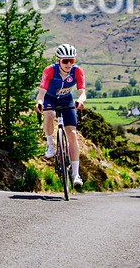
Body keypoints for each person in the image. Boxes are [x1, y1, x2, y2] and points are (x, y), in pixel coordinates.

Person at [35, 43, 87, 188]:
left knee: (72, 134)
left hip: (66, 100)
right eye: (65, 61)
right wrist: (39, 103)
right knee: (49, 114)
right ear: (58, 60)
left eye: (72, 61)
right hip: (50, 98)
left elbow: (82, 93)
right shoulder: (50, 70)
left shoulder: (77, 71)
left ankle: (76, 174)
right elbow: (41, 93)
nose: (69, 64)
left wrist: (80, 101)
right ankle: (50, 144)